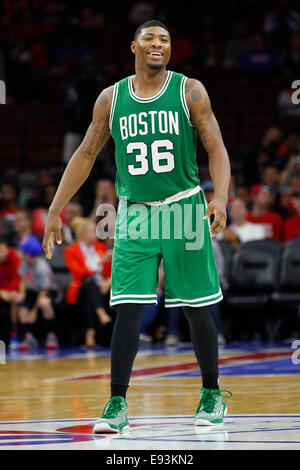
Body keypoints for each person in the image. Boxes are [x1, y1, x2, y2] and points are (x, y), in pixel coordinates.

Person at [42, 20, 232, 432]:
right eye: (150, 38)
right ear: (134, 46)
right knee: (127, 307)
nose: (158, 44)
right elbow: (84, 155)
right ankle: (117, 403)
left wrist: (219, 197)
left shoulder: (190, 90)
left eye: (165, 39)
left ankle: (212, 393)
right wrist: (56, 209)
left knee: (196, 309)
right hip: (134, 213)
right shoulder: (111, 99)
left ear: (170, 49)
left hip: (184, 208)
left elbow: (216, 146)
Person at [63, 217, 112, 347]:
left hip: (102, 286)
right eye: (93, 231)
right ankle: (101, 314)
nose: (96, 234)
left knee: (94, 294)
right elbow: (80, 273)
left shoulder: (101, 247)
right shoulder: (71, 251)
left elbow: (111, 270)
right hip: (81, 287)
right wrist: (99, 262)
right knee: (91, 286)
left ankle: (91, 334)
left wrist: (108, 282)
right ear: (83, 234)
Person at [18, 235, 59, 350]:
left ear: (28, 254)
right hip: (33, 291)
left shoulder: (42, 267)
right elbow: (22, 279)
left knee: (44, 303)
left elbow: (45, 290)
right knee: (21, 303)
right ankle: (28, 336)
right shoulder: (24, 263)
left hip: (47, 292)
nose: (21, 253)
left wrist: (34, 311)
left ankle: (51, 335)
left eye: (23, 251)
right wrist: (22, 293)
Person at [0, 237, 23, 350]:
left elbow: (17, 277)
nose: (0, 254)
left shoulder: (14, 259)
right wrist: (1, 292)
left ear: (8, 250)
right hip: (2, 293)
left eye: (2, 251)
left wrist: (9, 292)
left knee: (15, 300)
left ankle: (14, 334)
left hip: (11, 293)